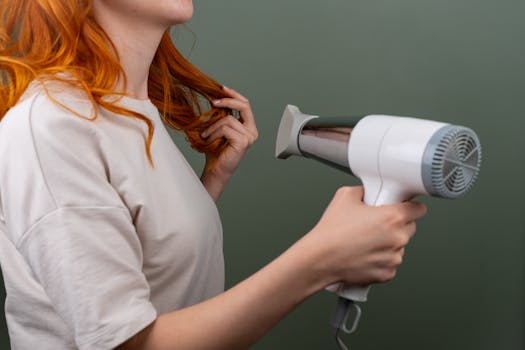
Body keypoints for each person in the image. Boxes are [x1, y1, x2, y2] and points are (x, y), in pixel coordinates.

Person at [0, 0, 428, 349]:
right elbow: (126, 343)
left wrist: (211, 183)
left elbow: (150, 266)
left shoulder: (130, 111)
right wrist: (320, 259)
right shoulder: (52, 127)